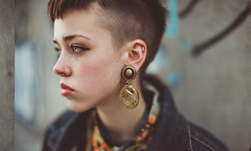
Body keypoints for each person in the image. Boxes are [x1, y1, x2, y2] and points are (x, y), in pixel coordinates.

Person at [42, 0, 228, 150]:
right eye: (58, 50)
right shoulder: (56, 135)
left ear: (133, 55)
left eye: (77, 47)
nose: (58, 67)